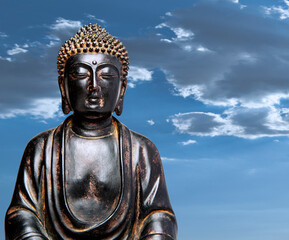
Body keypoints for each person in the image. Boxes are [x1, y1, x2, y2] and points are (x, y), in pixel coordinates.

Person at [5, 24, 177, 240]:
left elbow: (158, 215)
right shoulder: (42, 148)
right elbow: (22, 214)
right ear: (63, 86)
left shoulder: (140, 150)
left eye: (106, 75)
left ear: (122, 89)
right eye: (80, 74)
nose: (94, 85)